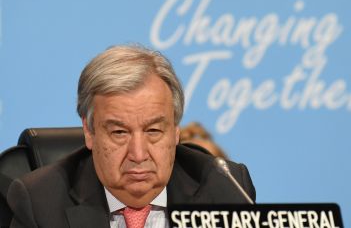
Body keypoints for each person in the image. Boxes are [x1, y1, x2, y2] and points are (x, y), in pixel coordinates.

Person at [7, 44, 255, 228]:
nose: (138, 154)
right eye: (119, 132)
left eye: (154, 131)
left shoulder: (225, 188)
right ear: (89, 131)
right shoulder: (41, 202)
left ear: (175, 131)